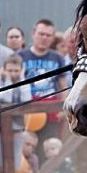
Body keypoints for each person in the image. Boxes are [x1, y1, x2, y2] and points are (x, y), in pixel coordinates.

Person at [18, 19, 68, 160]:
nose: (44, 38)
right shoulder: (22, 56)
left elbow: (63, 85)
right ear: (33, 34)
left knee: (50, 147)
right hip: (29, 109)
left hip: (51, 109)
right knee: (28, 147)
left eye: (48, 35)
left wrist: (62, 106)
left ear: (52, 37)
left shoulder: (57, 58)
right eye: (41, 34)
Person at [0, 54, 32, 170]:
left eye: (16, 71)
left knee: (15, 165)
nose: (13, 74)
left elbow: (26, 100)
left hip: (17, 128)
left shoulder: (23, 82)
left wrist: (22, 78)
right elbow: (7, 99)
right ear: (3, 69)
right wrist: (8, 80)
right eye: (10, 70)